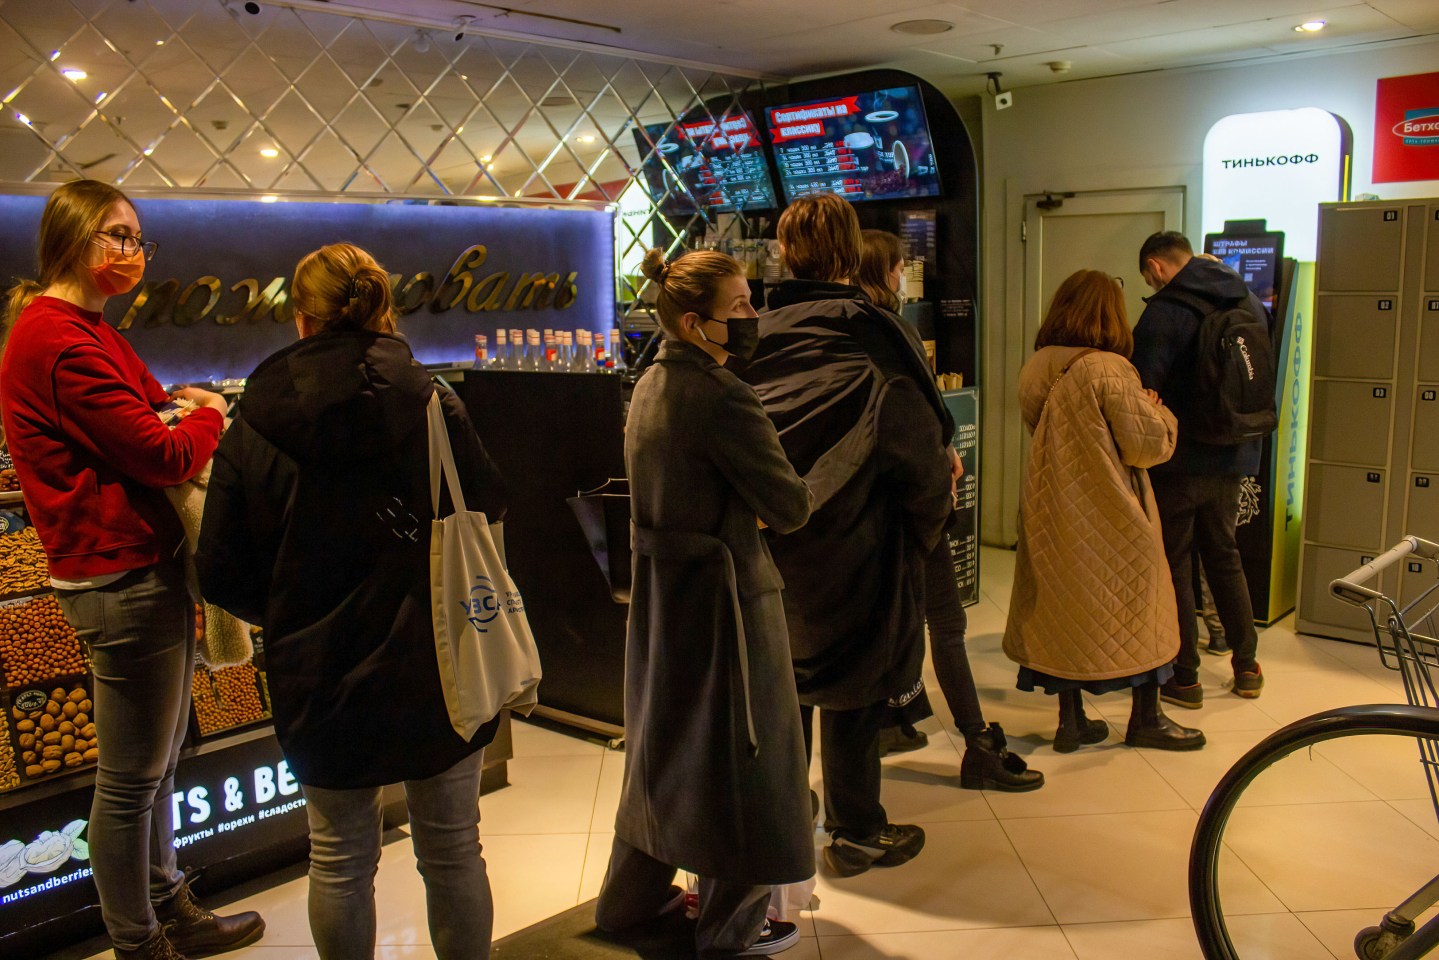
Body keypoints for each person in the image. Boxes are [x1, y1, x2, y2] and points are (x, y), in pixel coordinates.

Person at [195, 243, 505, 960]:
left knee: (338, 858)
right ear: (381, 310)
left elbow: (220, 569)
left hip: (318, 668)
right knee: (454, 848)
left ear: (301, 320)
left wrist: (291, 611)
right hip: (442, 657)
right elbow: (489, 504)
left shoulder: (255, 421)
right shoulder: (434, 401)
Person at [0, 180, 265, 960]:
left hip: (144, 568)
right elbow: (163, 452)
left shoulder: (88, 329)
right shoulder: (58, 339)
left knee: (158, 765)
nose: (132, 252)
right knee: (128, 782)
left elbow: (153, 409)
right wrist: (212, 412)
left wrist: (181, 414)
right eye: (115, 235)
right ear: (70, 239)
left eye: (138, 239)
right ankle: (139, 941)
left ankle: (169, 904)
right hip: (117, 579)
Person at [594, 248, 813, 958]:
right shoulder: (724, 396)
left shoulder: (650, 383)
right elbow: (790, 506)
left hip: (665, 600)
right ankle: (732, 928)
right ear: (695, 323)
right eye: (740, 305)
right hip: (730, 602)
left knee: (663, 754)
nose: (753, 315)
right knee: (746, 761)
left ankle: (627, 901)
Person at [739, 194, 949, 878]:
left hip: (770, 540)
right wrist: (922, 533)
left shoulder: (750, 334)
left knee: (782, 684)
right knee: (856, 691)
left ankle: (783, 818)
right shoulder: (875, 333)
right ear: (853, 251)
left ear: (782, 252)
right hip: (861, 540)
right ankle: (857, 830)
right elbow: (919, 452)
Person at [858, 229, 1042, 792]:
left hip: (865, 504)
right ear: (886, 272)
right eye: (898, 267)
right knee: (947, 621)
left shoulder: (840, 334)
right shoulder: (895, 333)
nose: (902, 276)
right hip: (916, 499)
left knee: (885, 620)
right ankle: (977, 744)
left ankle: (888, 723)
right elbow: (925, 415)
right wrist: (942, 456)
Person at [1004, 269, 1205, 753]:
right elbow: (1146, 447)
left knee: (1063, 610)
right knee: (1142, 607)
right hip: (1112, 511)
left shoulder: (1037, 365)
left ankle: (1071, 722)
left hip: (1052, 508)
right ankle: (1147, 719)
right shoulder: (1110, 369)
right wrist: (1158, 411)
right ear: (1110, 315)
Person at [1131, 232, 1267, 707]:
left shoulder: (1166, 309)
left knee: (1177, 562)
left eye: (1148, 277)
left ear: (1156, 266)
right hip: (1236, 453)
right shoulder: (1248, 300)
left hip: (1181, 461)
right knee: (1224, 554)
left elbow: (1141, 387)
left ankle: (1184, 676)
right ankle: (1247, 666)